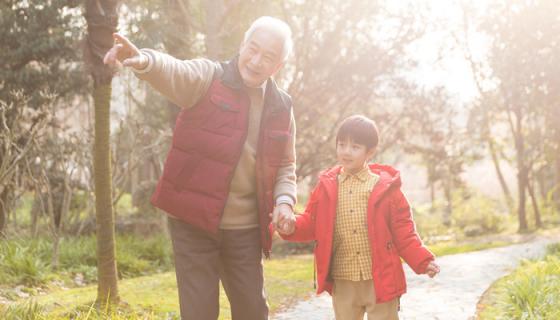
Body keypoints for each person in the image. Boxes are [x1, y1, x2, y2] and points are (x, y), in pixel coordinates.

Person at [104, 16, 297, 320]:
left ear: (278, 66)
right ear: (243, 45)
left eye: (268, 57)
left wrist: (285, 202)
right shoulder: (209, 78)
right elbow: (176, 72)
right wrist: (142, 60)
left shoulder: (281, 106)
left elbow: (285, 165)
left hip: (244, 230)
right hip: (193, 223)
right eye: (253, 49)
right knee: (199, 314)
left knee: (253, 312)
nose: (256, 60)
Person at [278, 115, 440, 320]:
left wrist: (422, 261)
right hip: (343, 279)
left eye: (355, 146)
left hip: (380, 279)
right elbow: (312, 222)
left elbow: (404, 232)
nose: (346, 151)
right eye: (341, 144)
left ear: (369, 152)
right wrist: (290, 225)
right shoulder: (326, 187)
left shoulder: (386, 189)